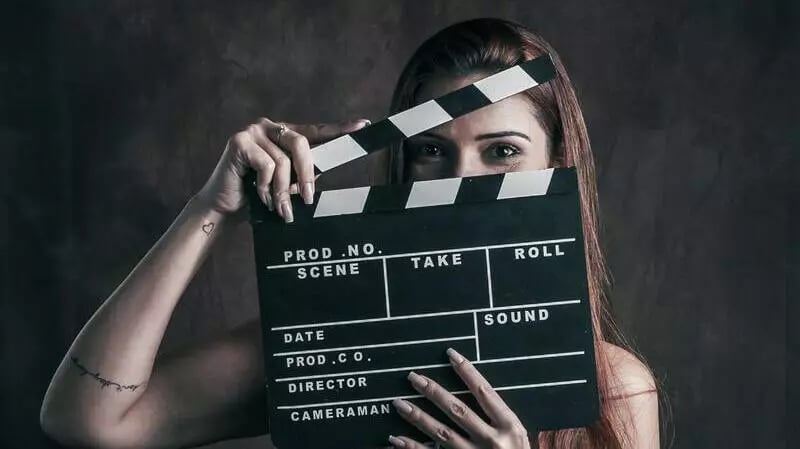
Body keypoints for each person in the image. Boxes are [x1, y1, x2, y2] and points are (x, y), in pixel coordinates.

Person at [40, 18, 661, 449]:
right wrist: (212, 208)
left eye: (501, 151)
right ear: (402, 164)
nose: (464, 180)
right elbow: (91, 421)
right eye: (431, 152)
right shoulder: (327, 346)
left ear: (555, 167)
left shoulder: (618, 391)